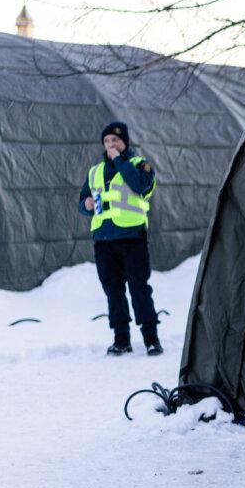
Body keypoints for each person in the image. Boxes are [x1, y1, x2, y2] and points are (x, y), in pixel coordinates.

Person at [78, 122, 163, 356]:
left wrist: (119, 161)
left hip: (132, 237)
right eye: (107, 141)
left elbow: (139, 187)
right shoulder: (95, 171)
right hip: (104, 241)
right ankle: (121, 339)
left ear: (124, 142)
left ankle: (151, 339)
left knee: (139, 289)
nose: (110, 145)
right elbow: (83, 202)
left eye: (115, 141)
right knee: (113, 291)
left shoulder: (139, 166)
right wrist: (85, 206)